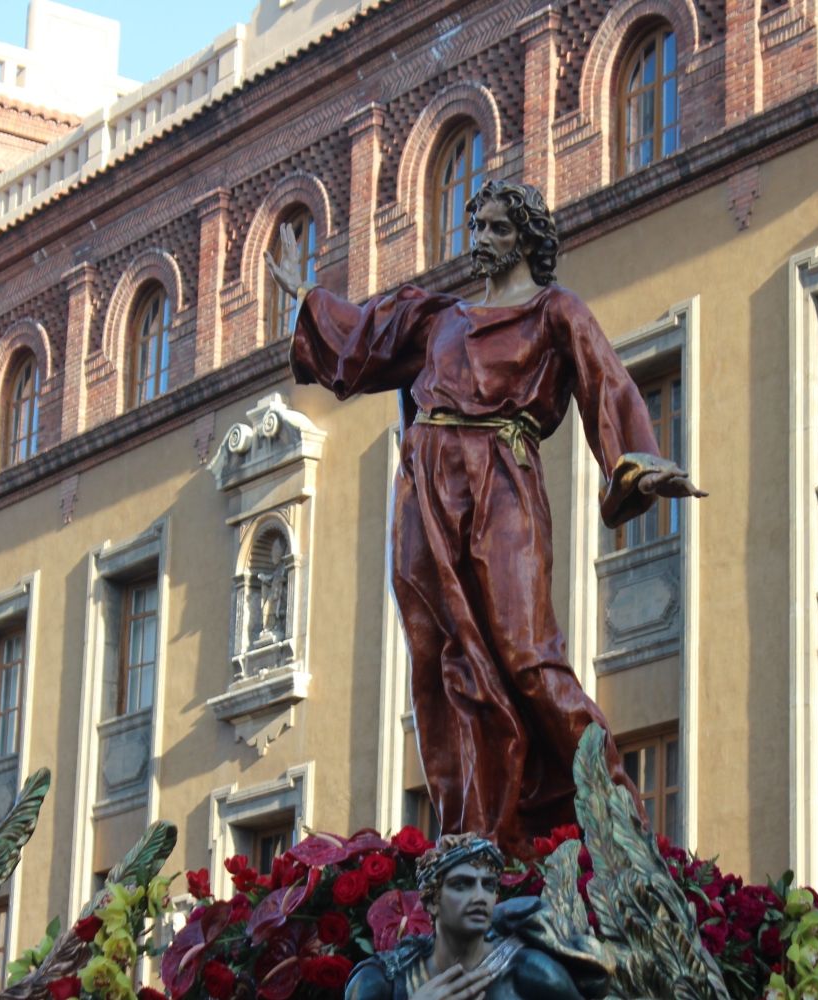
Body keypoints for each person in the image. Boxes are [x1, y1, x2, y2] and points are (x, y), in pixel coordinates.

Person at [266, 180, 703, 855]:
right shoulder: (439, 319)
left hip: (501, 475)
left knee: (524, 651)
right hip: (426, 489)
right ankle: (474, 834)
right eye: (478, 226)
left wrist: (635, 461)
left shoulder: (555, 312)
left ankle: (614, 819)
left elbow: (605, 381)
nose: (482, 240)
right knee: (444, 658)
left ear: (527, 238)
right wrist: (305, 295)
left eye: (498, 228)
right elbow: (360, 341)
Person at [344, 834, 605, 1000]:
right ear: (432, 901)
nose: (480, 896)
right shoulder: (380, 981)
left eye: (489, 886)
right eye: (462, 885)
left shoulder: (530, 972)